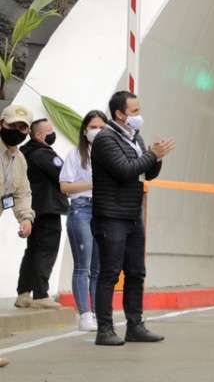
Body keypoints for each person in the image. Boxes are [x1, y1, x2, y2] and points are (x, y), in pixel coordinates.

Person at [91, 91, 176, 346]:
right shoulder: (105, 139)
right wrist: (150, 155)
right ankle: (104, 329)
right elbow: (125, 170)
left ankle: (135, 325)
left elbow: (145, 174)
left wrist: (155, 158)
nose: (139, 116)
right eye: (134, 112)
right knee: (110, 272)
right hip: (112, 215)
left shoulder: (135, 138)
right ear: (119, 114)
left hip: (132, 214)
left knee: (136, 272)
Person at [59, 110, 107, 332]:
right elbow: (65, 186)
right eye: (93, 127)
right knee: (82, 265)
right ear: (85, 130)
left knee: (98, 268)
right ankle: (84, 313)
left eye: (102, 127)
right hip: (81, 208)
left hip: (103, 210)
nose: (97, 131)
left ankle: (96, 312)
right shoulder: (75, 154)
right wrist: (92, 185)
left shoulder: (109, 154)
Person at [15, 119, 68, 310]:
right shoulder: (44, 154)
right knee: (46, 250)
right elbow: (64, 175)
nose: (52, 132)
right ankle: (40, 294)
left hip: (32, 210)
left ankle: (23, 293)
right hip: (48, 209)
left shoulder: (24, 153)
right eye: (49, 130)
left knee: (33, 251)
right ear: (38, 135)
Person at [0, 104, 35, 367]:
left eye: (22, 128)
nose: (18, 131)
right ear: (2, 123)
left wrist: (25, 217)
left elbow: (21, 192)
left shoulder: (18, 158)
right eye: (13, 126)